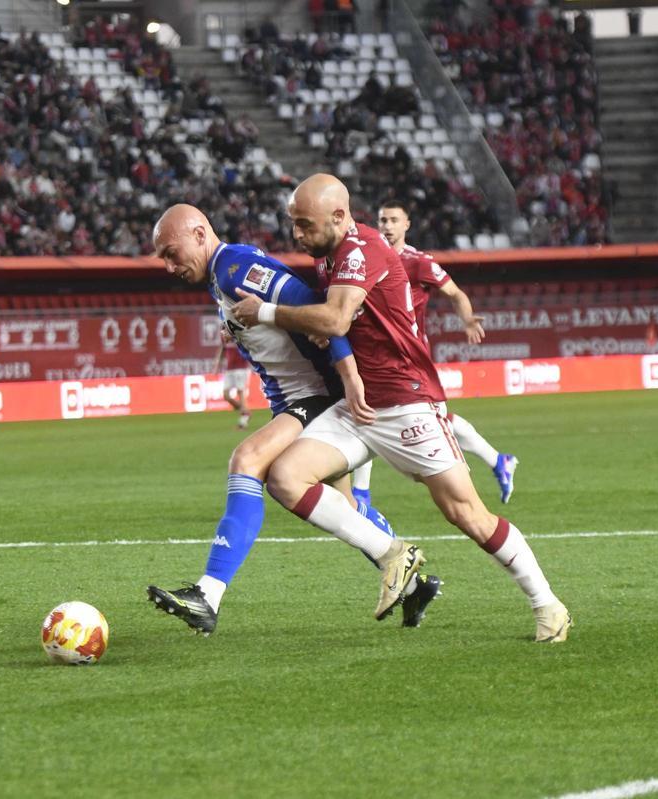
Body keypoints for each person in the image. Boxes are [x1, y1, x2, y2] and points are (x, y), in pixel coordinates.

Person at [231, 174, 572, 642]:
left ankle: (548, 604)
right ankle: (393, 553)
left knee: (467, 514)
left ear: (338, 216)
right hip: (358, 409)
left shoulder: (361, 250)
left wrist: (264, 312)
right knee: (285, 478)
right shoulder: (330, 257)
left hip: (408, 402)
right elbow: (340, 328)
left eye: (305, 225)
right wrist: (348, 374)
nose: (297, 236)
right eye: (293, 225)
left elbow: (333, 318)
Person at [146, 204, 440, 635]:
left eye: (172, 252)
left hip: (316, 395)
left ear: (199, 232)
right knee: (350, 507)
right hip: (304, 398)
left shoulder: (234, 266)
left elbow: (317, 308)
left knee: (247, 459)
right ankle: (412, 584)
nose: (170, 265)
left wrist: (349, 375)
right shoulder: (221, 277)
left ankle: (207, 595)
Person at [351, 203, 518, 506]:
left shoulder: (418, 262)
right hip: (374, 354)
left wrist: (466, 318)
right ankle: (360, 493)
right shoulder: (366, 258)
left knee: (429, 420)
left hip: (408, 358)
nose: (387, 226)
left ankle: (496, 461)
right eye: (382, 220)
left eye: (393, 220)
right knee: (368, 412)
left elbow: (455, 293)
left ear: (407, 225)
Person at [213, 331, 252, 430]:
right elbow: (222, 349)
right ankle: (245, 411)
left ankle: (243, 423)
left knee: (240, 392)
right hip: (229, 369)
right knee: (226, 395)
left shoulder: (239, 332)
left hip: (241, 368)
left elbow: (250, 348)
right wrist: (217, 364)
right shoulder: (224, 334)